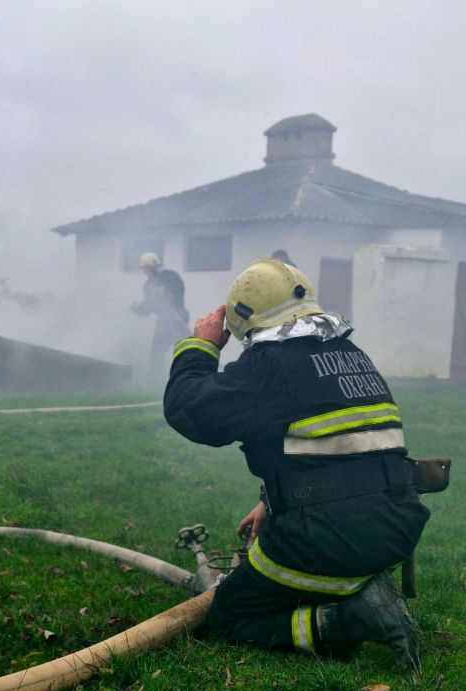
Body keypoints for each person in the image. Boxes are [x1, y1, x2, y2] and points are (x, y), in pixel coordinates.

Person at [163, 257, 430, 669]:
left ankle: (343, 618)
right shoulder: (349, 353)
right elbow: (335, 449)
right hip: (394, 523)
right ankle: (357, 584)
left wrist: (201, 345)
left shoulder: (270, 363)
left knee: (228, 615)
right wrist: (271, 503)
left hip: (332, 536)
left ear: (244, 321)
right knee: (307, 575)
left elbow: (189, 410)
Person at [131, 252, 190, 376]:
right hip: (163, 322)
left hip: (177, 319)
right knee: (156, 354)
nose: (146, 272)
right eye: (144, 269)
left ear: (155, 266)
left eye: (147, 269)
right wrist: (137, 309)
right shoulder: (148, 286)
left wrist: (166, 296)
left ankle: (194, 375)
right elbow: (146, 309)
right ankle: (155, 380)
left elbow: (177, 292)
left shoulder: (170, 276)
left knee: (188, 350)